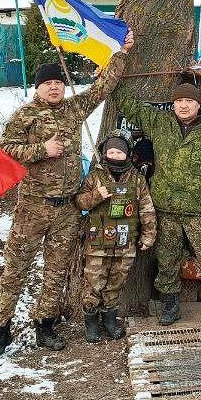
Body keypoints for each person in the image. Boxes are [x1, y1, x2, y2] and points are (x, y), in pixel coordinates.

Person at [0, 30, 134, 358]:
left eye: (58, 82)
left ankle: (45, 325)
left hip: (67, 208)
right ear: (37, 87)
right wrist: (42, 149)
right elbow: (5, 149)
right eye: (47, 83)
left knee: (56, 270)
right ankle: (0, 329)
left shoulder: (73, 108)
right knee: (16, 268)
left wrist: (120, 53)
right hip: (33, 207)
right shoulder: (25, 115)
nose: (54, 87)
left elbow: (102, 88)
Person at [113, 78, 201, 330]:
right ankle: (170, 305)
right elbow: (129, 105)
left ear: (198, 105)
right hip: (165, 208)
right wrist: (110, 75)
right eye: (179, 101)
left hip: (200, 210)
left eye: (189, 101)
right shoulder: (161, 123)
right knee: (166, 260)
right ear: (173, 105)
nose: (183, 106)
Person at [75, 133, 157, 342]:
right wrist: (97, 195)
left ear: (127, 154)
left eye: (119, 151)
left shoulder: (137, 179)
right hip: (97, 244)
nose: (114, 155)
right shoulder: (95, 177)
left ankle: (110, 319)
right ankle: (91, 321)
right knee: (93, 283)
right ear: (104, 153)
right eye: (110, 151)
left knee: (116, 283)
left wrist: (148, 236)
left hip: (125, 243)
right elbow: (80, 203)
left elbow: (146, 209)